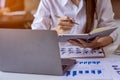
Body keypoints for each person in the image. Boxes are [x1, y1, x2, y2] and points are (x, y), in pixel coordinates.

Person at [31, 0, 118, 49]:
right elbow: (36, 35)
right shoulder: (49, 1)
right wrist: (57, 30)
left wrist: (97, 44)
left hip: (92, 53)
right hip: (59, 54)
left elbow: (111, 30)